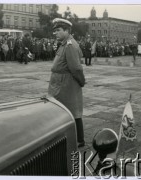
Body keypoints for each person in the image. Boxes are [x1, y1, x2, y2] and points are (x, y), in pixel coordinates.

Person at [48, 18, 86, 148]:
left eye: (58, 30)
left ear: (67, 31)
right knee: (69, 110)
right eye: (55, 30)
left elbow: (75, 67)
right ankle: (70, 137)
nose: (55, 33)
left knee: (72, 111)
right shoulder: (64, 44)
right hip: (60, 83)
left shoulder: (70, 45)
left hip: (66, 84)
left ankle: (79, 140)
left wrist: (81, 81)